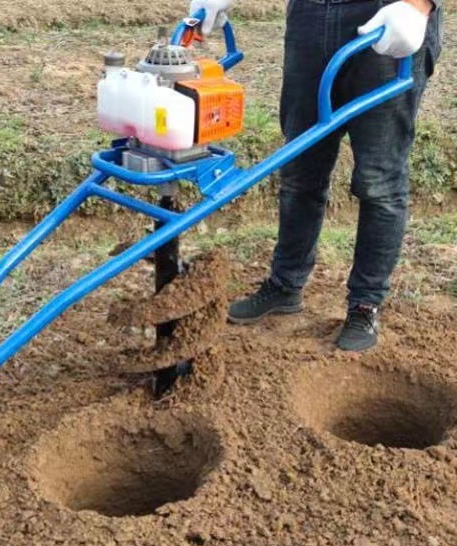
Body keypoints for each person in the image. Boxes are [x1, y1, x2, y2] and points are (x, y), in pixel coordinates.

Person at [188, 0, 443, 351]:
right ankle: (285, 284)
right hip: (310, 16)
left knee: (378, 181)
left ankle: (365, 304)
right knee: (301, 168)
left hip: (387, 14)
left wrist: (418, 4)